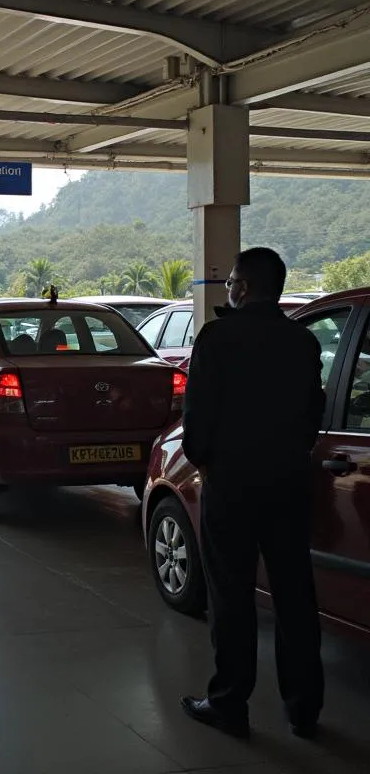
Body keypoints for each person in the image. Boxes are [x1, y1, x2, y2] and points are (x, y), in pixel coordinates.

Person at [181, 247, 325, 741]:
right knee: (295, 595)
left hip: (232, 485)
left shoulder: (217, 337)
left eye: (231, 283)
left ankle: (229, 704)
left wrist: (207, 463)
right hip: (287, 483)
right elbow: (313, 414)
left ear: (241, 287)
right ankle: (304, 710)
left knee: (232, 596)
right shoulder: (302, 341)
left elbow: (196, 419)